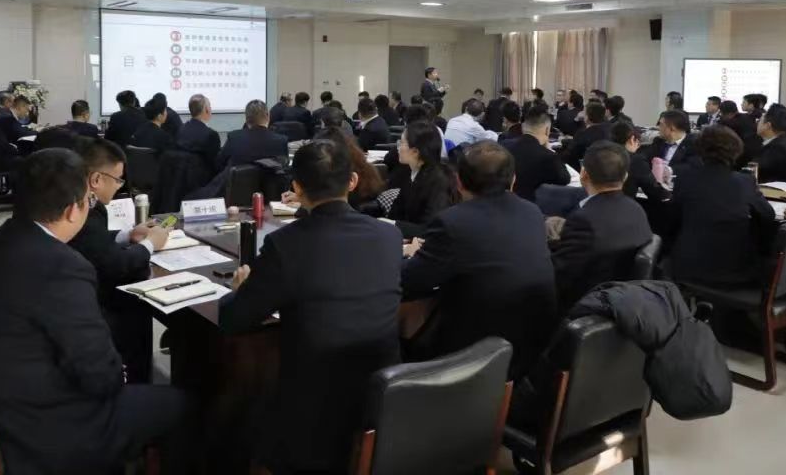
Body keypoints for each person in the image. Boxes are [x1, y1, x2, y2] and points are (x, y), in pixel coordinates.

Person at [0, 149, 187, 475]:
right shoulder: (62, 267)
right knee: (178, 403)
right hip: (42, 432)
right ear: (74, 209)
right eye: (89, 200)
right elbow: (101, 376)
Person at [219, 140, 401, 474]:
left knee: (233, 413)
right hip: (382, 399)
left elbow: (233, 319)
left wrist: (241, 290)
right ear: (352, 181)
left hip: (311, 414)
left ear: (297, 188)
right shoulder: (388, 237)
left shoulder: (286, 244)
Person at [402, 142, 556, 375]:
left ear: (458, 182)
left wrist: (412, 255)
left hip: (471, 353)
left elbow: (410, 281)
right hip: (531, 345)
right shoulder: (532, 212)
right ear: (513, 180)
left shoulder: (452, 223)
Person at [70, 139, 171, 382]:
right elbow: (115, 264)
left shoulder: (80, 200)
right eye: (117, 180)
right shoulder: (84, 207)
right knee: (135, 297)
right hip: (91, 302)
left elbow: (93, 241)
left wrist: (128, 235)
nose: (119, 186)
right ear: (96, 179)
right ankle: (135, 379)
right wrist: (150, 244)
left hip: (78, 285)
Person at [667, 125, 776, 286]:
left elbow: (673, 220)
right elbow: (768, 215)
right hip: (734, 269)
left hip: (688, 265)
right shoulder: (744, 181)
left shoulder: (685, 179)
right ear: (735, 151)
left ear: (700, 149)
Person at [551, 142, 653, 310]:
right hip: (623, 301)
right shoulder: (637, 209)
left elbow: (559, 274)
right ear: (625, 176)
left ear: (584, 174)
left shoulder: (584, 220)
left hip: (586, 304)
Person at [389, 120, 458, 237]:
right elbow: (396, 212)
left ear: (415, 151)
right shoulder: (409, 172)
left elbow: (432, 229)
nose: (398, 147)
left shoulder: (439, 181)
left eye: (402, 142)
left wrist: (393, 224)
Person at [502, 112, 571, 202]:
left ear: (523, 128)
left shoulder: (504, 145)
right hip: (531, 204)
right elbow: (565, 179)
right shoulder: (548, 156)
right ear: (547, 130)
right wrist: (550, 151)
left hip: (501, 200)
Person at [216, 99, 287, 170]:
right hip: (270, 177)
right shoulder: (281, 141)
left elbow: (219, 162)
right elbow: (283, 167)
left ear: (246, 118)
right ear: (268, 116)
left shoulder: (234, 138)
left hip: (241, 177)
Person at [609, 122, 667, 203]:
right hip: (622, 205)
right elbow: (653, 190)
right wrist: (668, 194)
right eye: (638, 142)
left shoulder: (601, 155)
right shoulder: (635, 160)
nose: (638, 146)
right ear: (632, 139)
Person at [756, 104, 786, 184]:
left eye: (759, 120)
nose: (757, 123)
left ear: (768, 125)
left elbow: (757, 172)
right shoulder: (783, 141)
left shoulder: (777, 149)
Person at [177, 93, 221, 172]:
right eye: (210, 106)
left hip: (180, 176)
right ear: (206, 110)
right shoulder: (211, 135)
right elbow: (216, 165)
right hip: (204, 178)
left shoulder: (181, 130)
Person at [564, 100, 611, 170]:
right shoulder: (610, 128)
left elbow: (570, 154)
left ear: (588, 116)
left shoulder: (583, 134)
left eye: (584, 112)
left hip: (585, 168)